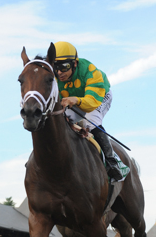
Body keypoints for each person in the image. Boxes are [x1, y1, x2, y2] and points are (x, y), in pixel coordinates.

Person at [49, 41, 126, 181]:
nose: (59, 72)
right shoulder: (54, 77)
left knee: (92, 122)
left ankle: (112, 163)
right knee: (60, 120)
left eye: (64, 67)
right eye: (55, 67)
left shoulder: (90, 72)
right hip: (74, 100)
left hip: (98, 96)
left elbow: (91, 103)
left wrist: (76, 100)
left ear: (74, 64)